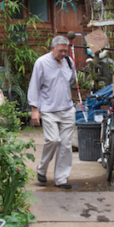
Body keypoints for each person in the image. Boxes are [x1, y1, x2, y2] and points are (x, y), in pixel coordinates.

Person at [28, 36, 78, 189]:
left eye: (66, 50)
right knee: (53, 140)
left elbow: (71, 82)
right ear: (52, 48)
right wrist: (34, 109)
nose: (63, 54)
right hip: (49, 109)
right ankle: (42, 169)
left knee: (66, 145)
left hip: (67, 109)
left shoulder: (69, 61)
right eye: (61, 51)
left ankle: (61, 179)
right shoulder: (41, 63)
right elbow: (34, 86)